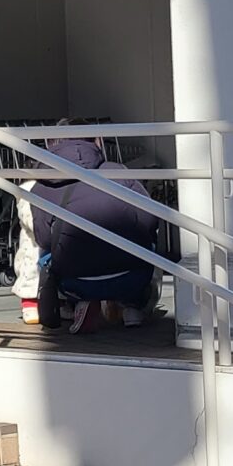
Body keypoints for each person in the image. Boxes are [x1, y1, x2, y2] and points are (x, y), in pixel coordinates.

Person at [31, 135, 162, 334]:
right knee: (149, 247)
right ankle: (133, 308)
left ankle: (78, 302)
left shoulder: (44, 183)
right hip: (131, 276)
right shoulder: (118, 172)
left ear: (51, 144)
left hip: (74, 280)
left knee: (46, 253)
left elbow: (44, 239)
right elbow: (150, 220)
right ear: (97, 142)